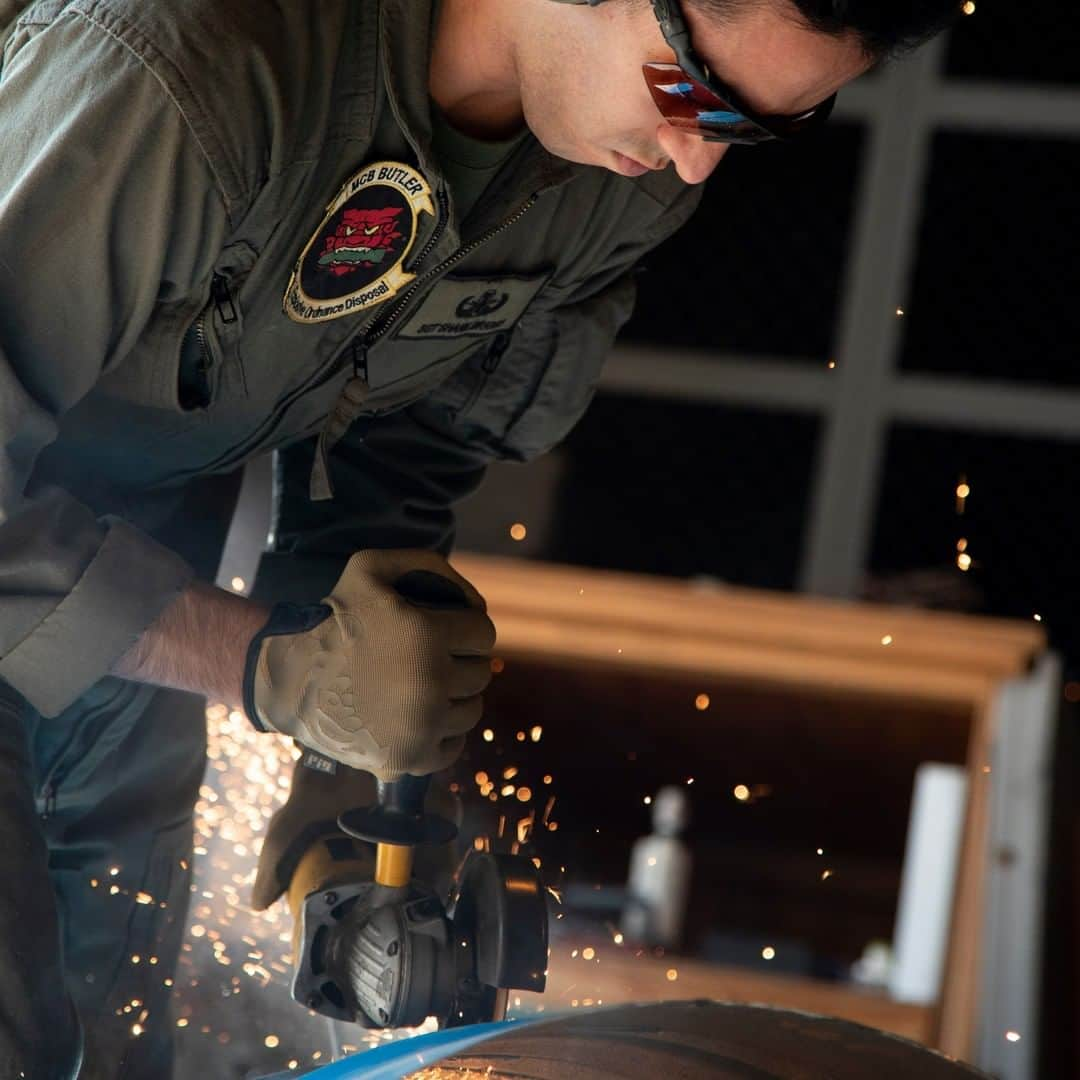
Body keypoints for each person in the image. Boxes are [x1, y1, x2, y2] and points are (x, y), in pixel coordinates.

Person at [0, 0, 958, 1074]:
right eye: (691, 95)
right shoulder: (184, 70)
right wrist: (265, 666)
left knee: (112, 1037)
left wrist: (354, 736)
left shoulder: (607, 171)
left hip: (132, 563)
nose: (693, 165)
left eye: (752, 128)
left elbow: (407, 444)